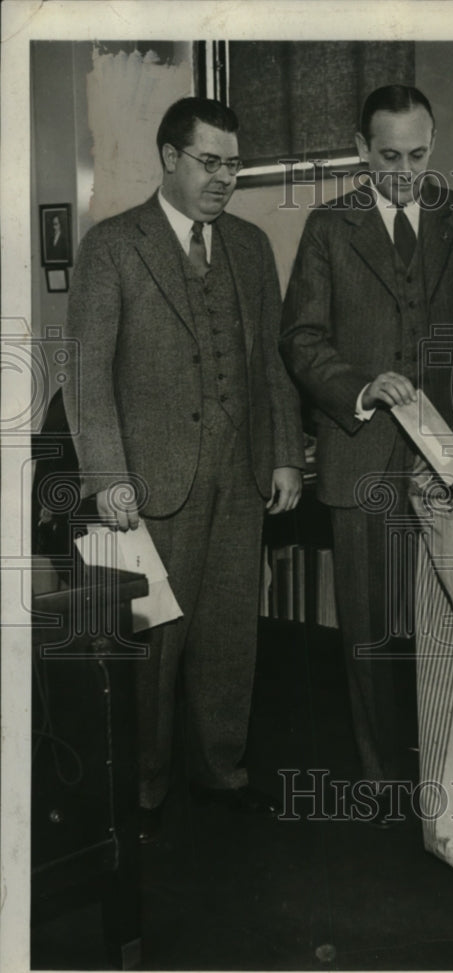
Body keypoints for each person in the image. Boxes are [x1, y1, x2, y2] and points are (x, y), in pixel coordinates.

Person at [64, 97, 305, 842]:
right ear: (169, 157)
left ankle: (221, 773)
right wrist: (108, 477)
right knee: (151, 651)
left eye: (234, 163)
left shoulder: (251, 247)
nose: (225, 178)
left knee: (231, 639)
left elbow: (269, 361)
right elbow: (86, 375)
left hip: (238, 483)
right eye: (211, 162)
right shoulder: (112, 247)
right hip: (149, 491)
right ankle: (141, 793)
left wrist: (284, 454)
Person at [280, 84, 453, 819]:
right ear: (359, 150)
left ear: (432, 146)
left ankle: (450, 768)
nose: (403, 171)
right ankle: (382, 780)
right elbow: (302, 339)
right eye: (387, 157)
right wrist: (357, 386)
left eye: (417, 155)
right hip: (361, 456)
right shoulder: (328, 227)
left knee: (452, 620)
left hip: (449, 461)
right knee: (372, 630)